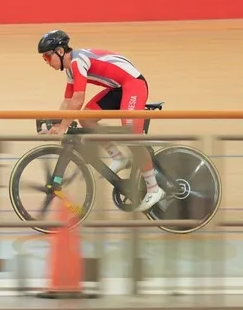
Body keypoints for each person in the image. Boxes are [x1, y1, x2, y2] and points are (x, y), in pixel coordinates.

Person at [37, 29, 165, 212]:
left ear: (59, 51)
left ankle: (154, 188)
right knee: (87, 119)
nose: (47, 62)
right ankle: (118, 156)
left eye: (47, 58)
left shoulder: (76, 61)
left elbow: (78, 99)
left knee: (131, 135)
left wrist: (63, 126)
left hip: (133, 84)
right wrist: (56, 124)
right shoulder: (70, 70)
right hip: (119, 88)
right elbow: (67, 102)